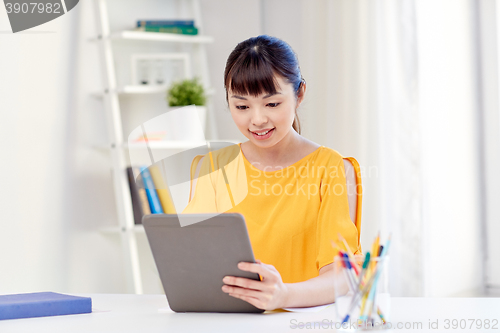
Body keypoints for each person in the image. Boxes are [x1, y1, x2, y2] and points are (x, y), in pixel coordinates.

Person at [182, 35, 362, 310]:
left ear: (299, 93)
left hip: (301, 323)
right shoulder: (212, 168)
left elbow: (341, 276)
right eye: (241, 106)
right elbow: (192, 263)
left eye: (272, 104)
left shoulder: (330, 168)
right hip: (225, 323)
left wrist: (284, 295)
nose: (257, 119)